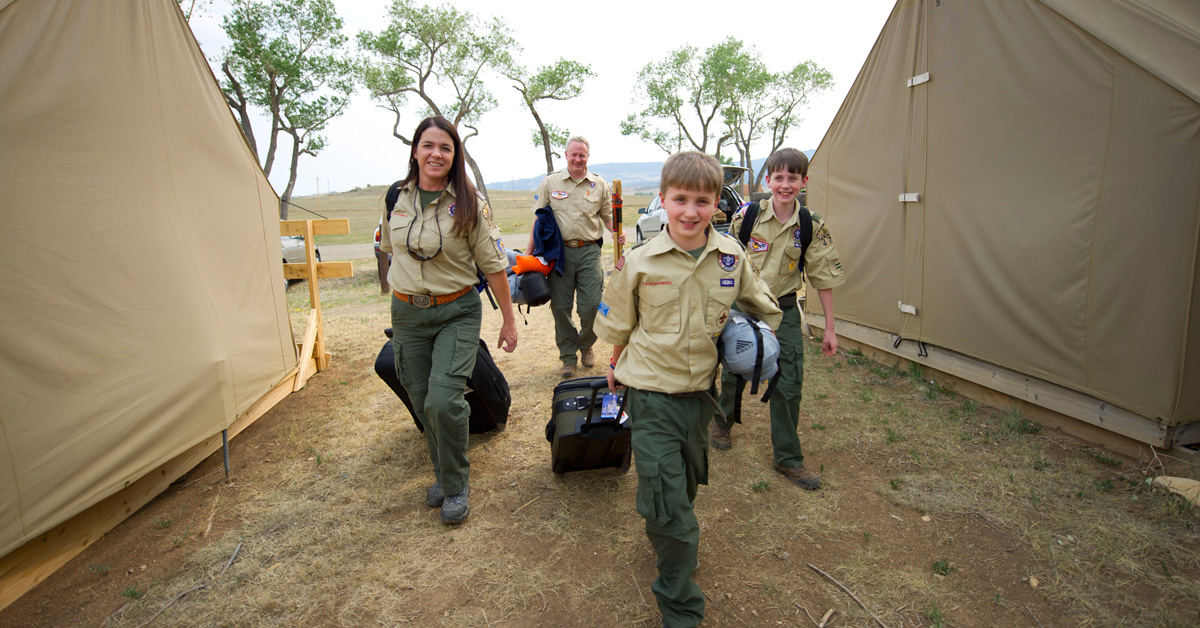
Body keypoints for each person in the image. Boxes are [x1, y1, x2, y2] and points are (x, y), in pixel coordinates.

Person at [595, 152, 781, 628]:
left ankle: (673, 541)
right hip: (650, 396)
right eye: (680, 199)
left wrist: (758, 334)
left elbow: (764, 305)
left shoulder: (730, 256)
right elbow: (618, 324)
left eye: (702, 200)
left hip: (701, 399)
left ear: (717, 203)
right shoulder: (638, 261)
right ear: (663, 199)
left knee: (688, 482)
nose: (690, 211)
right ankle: (680, 607)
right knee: (666, 502)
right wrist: (615, 364)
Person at [379, 116, 518, 524]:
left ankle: (455, 484)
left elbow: (493, 266)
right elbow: (389, 247)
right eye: (428, 145)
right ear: (415, 151)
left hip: (456, 311)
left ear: (454, 155)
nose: (436, 154)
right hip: (407, 315)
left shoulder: (469, 202)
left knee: (444, 400)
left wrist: (508, 321)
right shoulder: (395, 197)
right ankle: (442, 472)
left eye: (445, 147)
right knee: (421, 400)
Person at [712, 148, 845, 490]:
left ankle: (787, 457)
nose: (785, 185)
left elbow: (824, 278)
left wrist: (829, 327)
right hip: (743, 307)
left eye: (793, 178)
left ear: (804, 181)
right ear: (768, 180)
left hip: (783, 310)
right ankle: (722, 421)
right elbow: (727, 262)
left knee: (788, 383)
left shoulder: (810, 225)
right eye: (779, 178)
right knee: (733, 371)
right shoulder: (748, 216)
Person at [525, 136, 622, 379]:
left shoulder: (599, 184)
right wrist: (526, 256)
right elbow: (538, 220)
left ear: (588, 156)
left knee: (591, 307)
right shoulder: (550, 183)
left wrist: (617, 232)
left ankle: (586, 345)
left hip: (590, 251)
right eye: (573, 154)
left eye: (582, 155)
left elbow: (608, 216)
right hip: (560, 254)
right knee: (560, 307)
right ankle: (568, 357)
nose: (578, 159)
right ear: (566, 155)